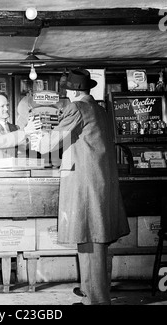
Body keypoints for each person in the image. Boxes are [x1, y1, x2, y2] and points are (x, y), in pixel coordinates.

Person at [32, 68, 130, 305]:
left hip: (85, 183)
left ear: (71, 91)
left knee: (93, 238)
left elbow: (48, 144)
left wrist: (34, 135)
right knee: (89, 238)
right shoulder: (99, 108)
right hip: (98, 180)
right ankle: (89, 292)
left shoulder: (77, 107)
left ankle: (97, 300)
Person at [0, 91, 39, 160]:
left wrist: (35, 136)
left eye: (7, 105)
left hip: (13, 169)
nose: (6, 109)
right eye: (2, 106)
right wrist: (25, 131)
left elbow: (23, 148)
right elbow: (1, 141)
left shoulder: (15, 128)